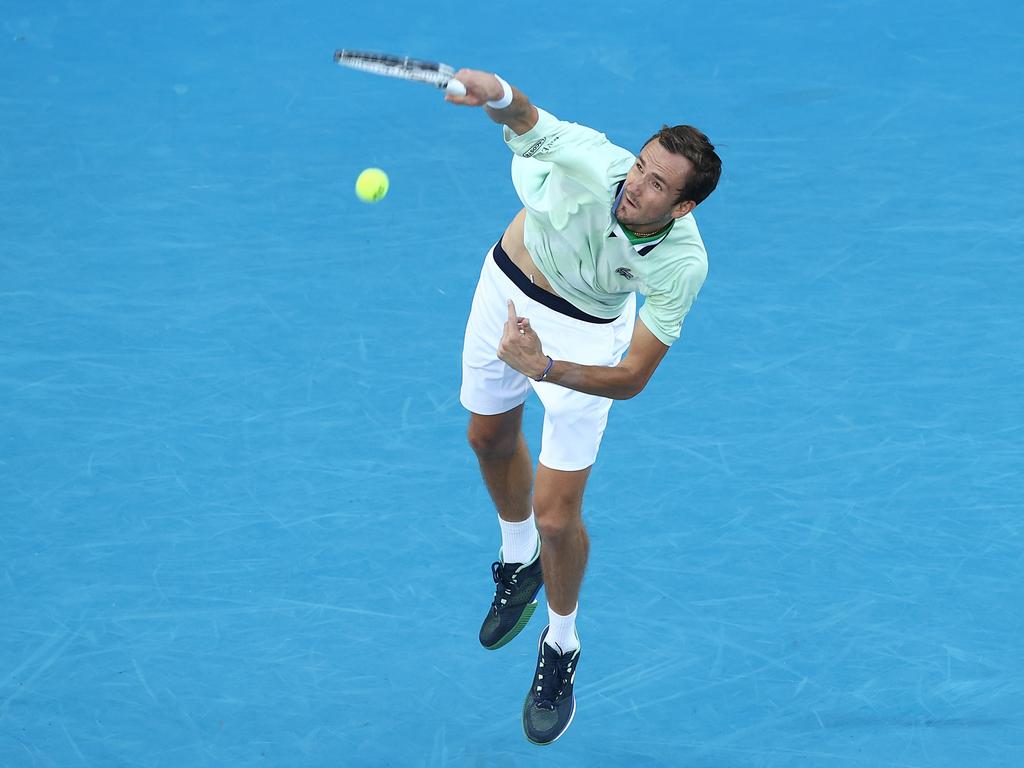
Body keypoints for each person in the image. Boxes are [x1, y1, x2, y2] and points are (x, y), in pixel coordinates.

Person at [446, 68, 722, 745]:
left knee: (558, 515)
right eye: (641, 165)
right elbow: (528, 121)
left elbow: (630, 377)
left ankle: (561, 647)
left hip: (584, 338)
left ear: (682, 208)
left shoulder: (682, 265)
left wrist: (543, 366)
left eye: (658, 184)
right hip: (508, 285)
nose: (636, 184)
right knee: (486, 438)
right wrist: (497, 93)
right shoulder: (596, 161)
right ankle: (518, 562)